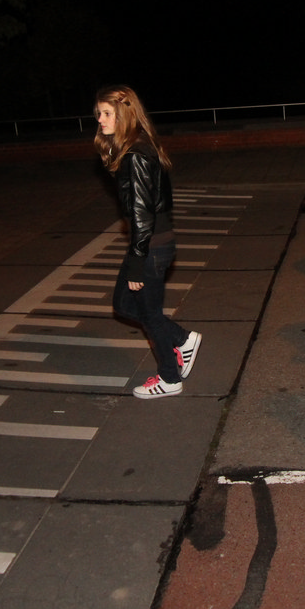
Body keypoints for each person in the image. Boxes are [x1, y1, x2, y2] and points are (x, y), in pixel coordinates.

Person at [94, 85, 202, 398]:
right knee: (124, 304)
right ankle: (181, 339)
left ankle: (170, 379)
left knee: (150, 315)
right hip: (153, 243)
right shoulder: (136, 146)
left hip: (150, 246)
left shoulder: (135, 155)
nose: (100, 119)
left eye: (107, 113)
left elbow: (142, 213)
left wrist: (137, 261)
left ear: (125, 114)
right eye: (99, 113)